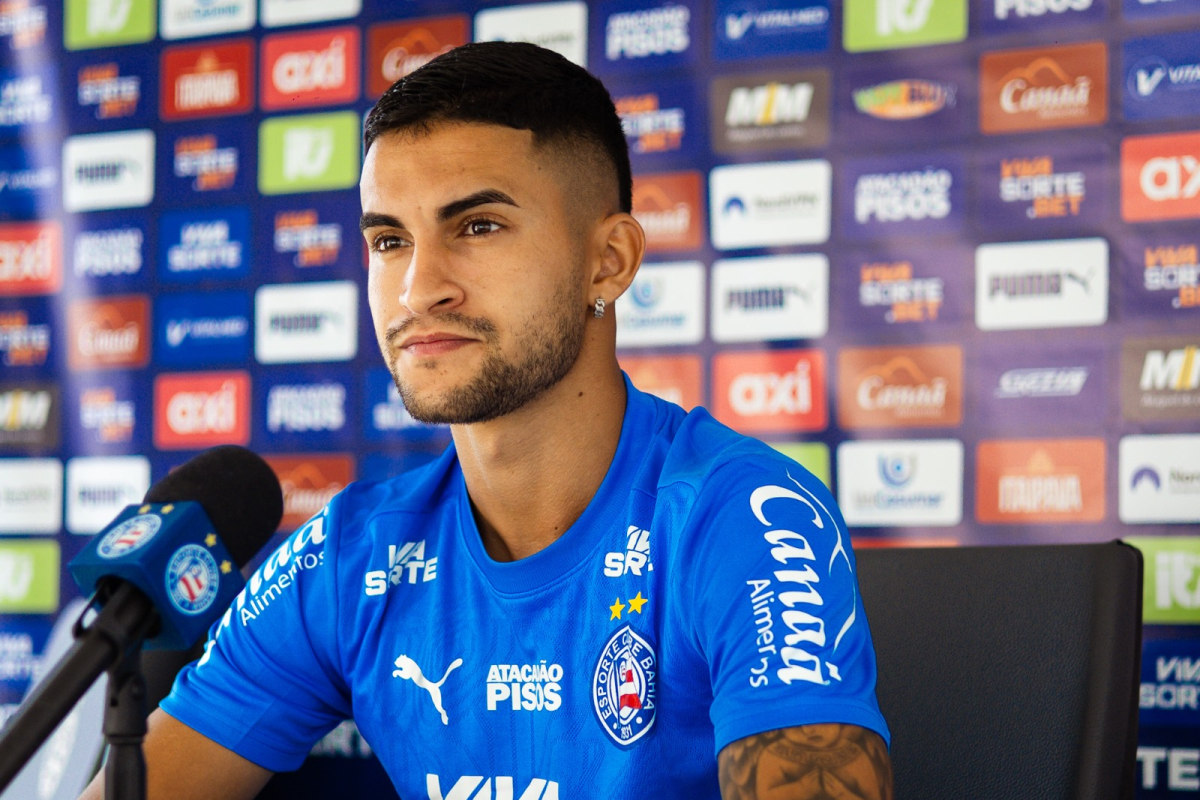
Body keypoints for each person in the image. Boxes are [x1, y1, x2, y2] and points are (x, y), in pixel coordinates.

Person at [81, 41, 892, 800]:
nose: (418, 288)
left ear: (608, 261)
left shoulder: (736, 513)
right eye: (390, 240)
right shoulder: (352, 557)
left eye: (477, 226)